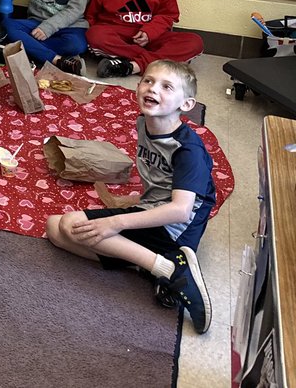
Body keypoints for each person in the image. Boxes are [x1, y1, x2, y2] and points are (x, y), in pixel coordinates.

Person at [45, 60, 214, 334]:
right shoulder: (144, 123)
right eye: (148, 81)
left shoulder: (187, 149)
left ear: (186, 105)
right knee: (54, 229)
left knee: (68, 225)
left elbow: (182, 210)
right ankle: (146, 265)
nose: (153, 88)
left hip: (176, 228)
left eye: (167, 86)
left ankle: (168, 269)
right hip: (153, 210)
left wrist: (117, 222)